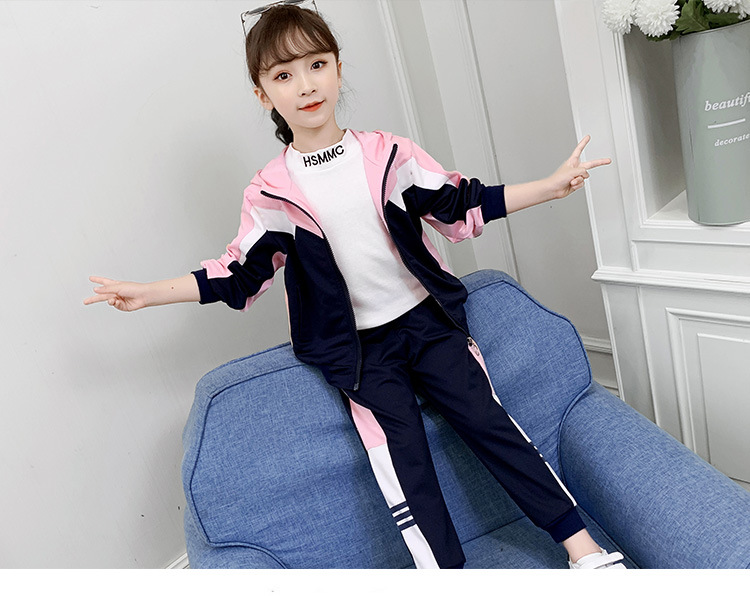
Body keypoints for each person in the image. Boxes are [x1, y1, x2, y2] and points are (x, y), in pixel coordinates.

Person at [84, 0, 625, 570]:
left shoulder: (389, 154)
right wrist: (150, 293)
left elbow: (460, 204)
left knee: (491, 424)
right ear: (263, 95)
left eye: (316, 64)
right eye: (283, 75)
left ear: (338, 69)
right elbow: (238, 274)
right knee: (404, 465)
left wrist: (549, 187)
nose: (305, 85)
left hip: (429, 323)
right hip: (362, 353)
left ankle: (583, 550)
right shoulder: (270, 194)